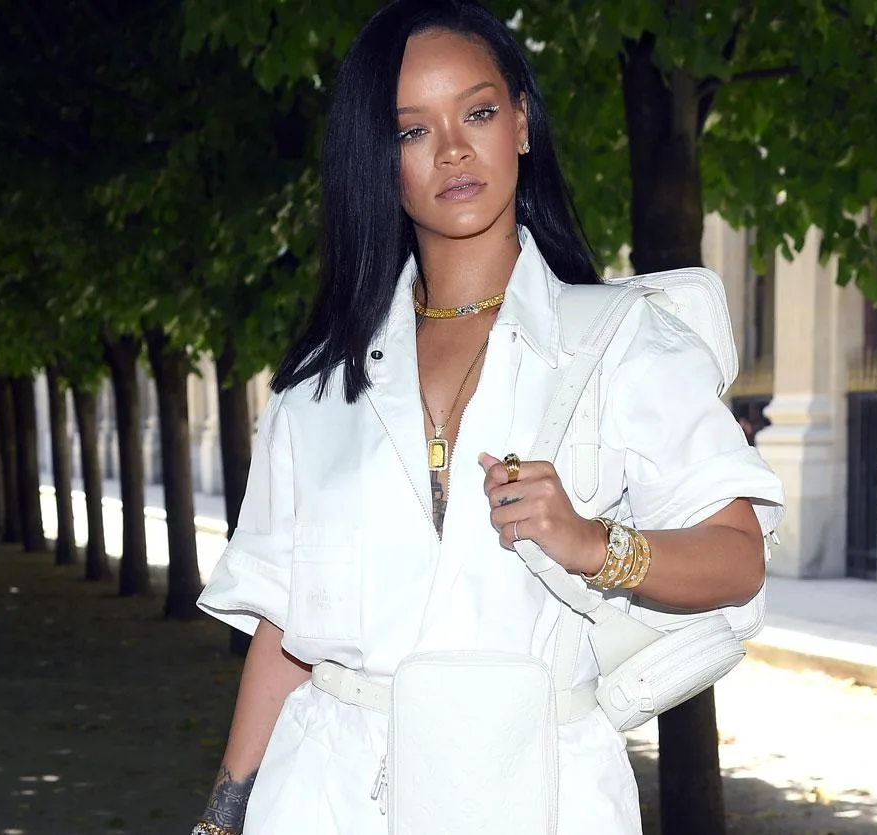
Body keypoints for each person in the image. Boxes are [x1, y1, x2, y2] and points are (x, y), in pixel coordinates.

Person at [193, 1, 784, 833]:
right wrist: (221, 818)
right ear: (383, 162)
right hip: (329, 793)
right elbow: (284, 632)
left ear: (521, 125)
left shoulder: (619, 341)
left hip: (539, 789)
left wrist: (590, 542)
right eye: (411, 131)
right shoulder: (319, 390)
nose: (454, 149)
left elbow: (738, 557)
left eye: (477, 111)